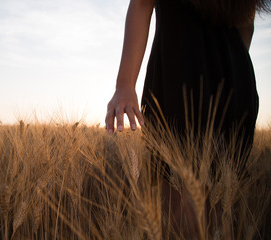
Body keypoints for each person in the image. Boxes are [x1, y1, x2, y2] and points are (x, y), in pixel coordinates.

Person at [105, 0, 269, 237]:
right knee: (220, 214)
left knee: (179, 221)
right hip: (235, 79)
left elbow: (142, 3)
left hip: (180, 75)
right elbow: (247, 25)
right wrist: (226, 65)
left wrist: (125, 84)